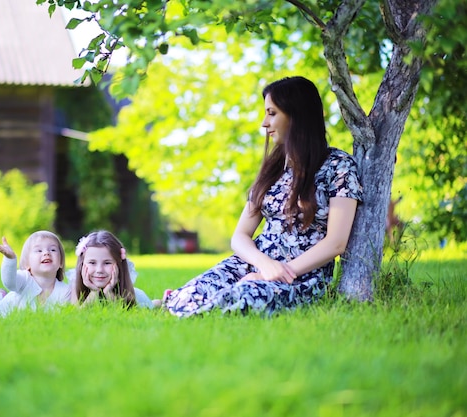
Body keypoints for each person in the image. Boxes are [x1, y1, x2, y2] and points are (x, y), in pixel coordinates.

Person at [163, 76, 363, 317]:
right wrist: (263, 264)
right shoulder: (274, 168)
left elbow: (336, 242)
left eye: (272, 113)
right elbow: (240, 236)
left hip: (300, 276)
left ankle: (168, 305)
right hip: (253, 262)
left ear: (296, 115)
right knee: (191, 294)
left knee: (237, 299)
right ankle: (163, 302)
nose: (264, 123)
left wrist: (280, 271)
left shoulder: (339, 166)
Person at [0, 231, 71, 317]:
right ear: (27, 264)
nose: (46, 253)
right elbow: (9, 282)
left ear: (61, 262)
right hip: (4, 310)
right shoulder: (24, 279)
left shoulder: (65, 291)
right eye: (39, 250)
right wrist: (10, 259)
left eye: (53, 250)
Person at [70, 230, 153, 308]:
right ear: (82, 264)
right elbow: (77, 315)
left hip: (141, 301)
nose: (99, 270)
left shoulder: (136, 296)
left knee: (152, 305)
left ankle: (159, 302)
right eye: (92, 263)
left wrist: (108, 292)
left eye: (107, 263)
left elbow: (124, 316)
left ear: (119, 265)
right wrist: (94, 292)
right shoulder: (74, 288)